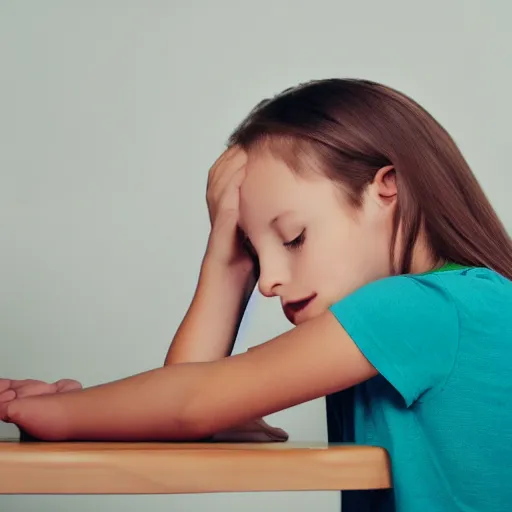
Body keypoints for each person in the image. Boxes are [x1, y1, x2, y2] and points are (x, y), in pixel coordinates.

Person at [1, 78, 511, 511]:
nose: (268, 282)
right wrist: (229, 261)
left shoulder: (422, 307)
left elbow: (188, 403)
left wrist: (60, 413)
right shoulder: (427, 321)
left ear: (387, 187)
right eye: (253, 257)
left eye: (293, 237)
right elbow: (185, 405)